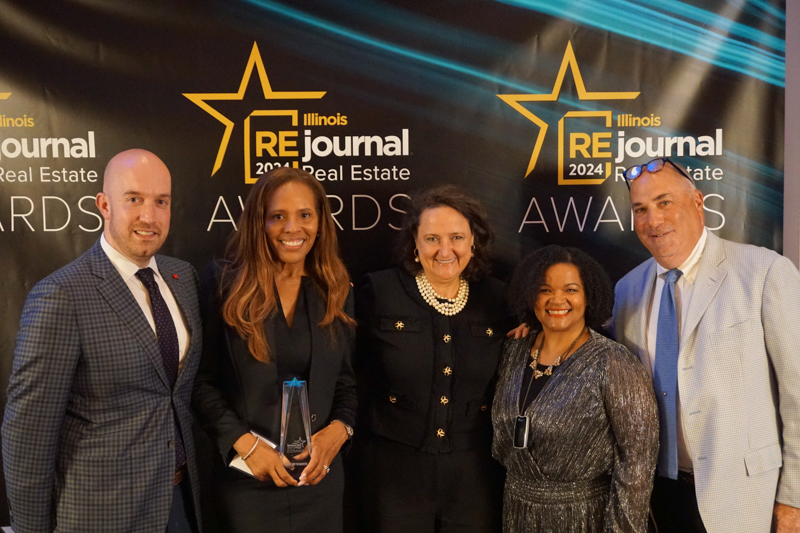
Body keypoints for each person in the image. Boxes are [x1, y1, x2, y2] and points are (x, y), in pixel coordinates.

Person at [2, 149, 202, 533]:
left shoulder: (183, 278)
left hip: (180, 503)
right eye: (134, 199)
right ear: (104, 205)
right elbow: (28, 435)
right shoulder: (62, 295)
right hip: (101, 515)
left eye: (161, 202)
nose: (149, 216)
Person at [613, 157, 800, 533]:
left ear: (698, 202)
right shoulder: (627, 289)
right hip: (657, 499)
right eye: (640, 209)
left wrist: (794, 499)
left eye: (664, 202)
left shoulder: (764, 271)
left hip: (746, 500)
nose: (653, 220)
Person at [192, 167, 356, 533]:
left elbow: (346, 383)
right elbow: (201, 383)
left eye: (305, 215)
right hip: (247, 481)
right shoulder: (224, 284)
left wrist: (340, 430)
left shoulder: (336, 287)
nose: (292, 228)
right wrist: (245, 445)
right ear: (259, 223)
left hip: (320, 479)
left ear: (320, 222)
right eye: (278, 216)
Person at [354, 185, 510, 533]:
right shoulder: (379, 292)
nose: (445, 250)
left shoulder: (499, 299)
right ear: (415, 242)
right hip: (393, 475)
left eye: (457, 237)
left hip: (474, 477)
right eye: (432, 239)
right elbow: (350, 376)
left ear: (474, 241)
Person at [492, 245, 658, 533]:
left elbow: (637, 464)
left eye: (571, 290)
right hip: (516, 512)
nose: (557, 299)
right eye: (545, 290)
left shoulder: (614, 363)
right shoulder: (513, 350)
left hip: (584, 517)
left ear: (589, 296)